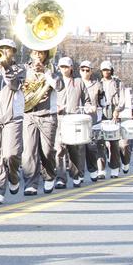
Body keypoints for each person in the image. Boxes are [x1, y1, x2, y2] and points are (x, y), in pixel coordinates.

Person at [0, 39, 25, 203]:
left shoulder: (20, 68)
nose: (3, 52)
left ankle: (14, 175)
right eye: (0, 49)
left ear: (13, 52)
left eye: (7, 49)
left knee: (11, 154)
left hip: (13, 117)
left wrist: (6, 68)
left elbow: (15, 85)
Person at [20, 48, 61, 195]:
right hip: (29, 114)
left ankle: (49, 176)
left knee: (47, 151)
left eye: (41, 53)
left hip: (48, 115)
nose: (38, 55)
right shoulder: (24, 68)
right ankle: (30, 183)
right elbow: (16, 86)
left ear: (46, 55)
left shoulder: (52, 69)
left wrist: (45, 72)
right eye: (35, 52)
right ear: (31, 54)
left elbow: (59, 86)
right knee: (29, 151)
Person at [55, 56, 89, 188]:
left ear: (71, 68)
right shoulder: (56, 81)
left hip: (74, 119)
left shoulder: (78, 82)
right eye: (61, 67)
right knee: (59, 149)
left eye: (66, 67)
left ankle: (76, 175)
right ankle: (60, 178)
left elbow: (87, 100)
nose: (64, 69)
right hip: (59, 119)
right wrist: (55, 108)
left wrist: (88, 107)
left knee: (74, 149)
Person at [98, 61, 124, 177]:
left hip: (114, 113)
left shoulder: (118, 83)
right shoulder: (98, 83)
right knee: (100, 143)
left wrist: (117, 110)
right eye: (103, 70)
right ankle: (101, 170)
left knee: (114, 143)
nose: (106, 72)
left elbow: (122, 100)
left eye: (108, 70)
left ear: (111, 70)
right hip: (101, 114)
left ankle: (114, 168)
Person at [80, 61, 105, 182]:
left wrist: (98, 107)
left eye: (87, 70)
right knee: (78, 148)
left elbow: (103, 101)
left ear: (91, 71)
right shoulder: (75, 83)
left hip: (94, 120)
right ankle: (78, 174)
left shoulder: (97, 85)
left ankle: (95, 169)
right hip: (78, 119)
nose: (85, 72)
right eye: (82, 69)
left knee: (92, 147)